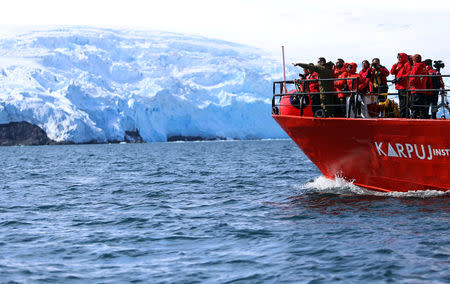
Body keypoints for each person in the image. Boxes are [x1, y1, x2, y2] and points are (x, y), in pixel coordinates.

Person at [391, 53, 412, 118]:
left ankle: (404, 115)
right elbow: (392, 72)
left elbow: (409, 73)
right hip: (399, 86)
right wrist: (395, 64)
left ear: (403, 57)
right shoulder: (398, 65)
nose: (398, 58)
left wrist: (401, 77)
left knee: (404, 102)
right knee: (402, 101)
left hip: (404, 86)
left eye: (400, 57)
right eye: (398, 57)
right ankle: (404, 115)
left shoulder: (407, 64)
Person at [408, 54, 428, 119]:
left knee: (414, 105)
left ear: (414, 60)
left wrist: (410, 85)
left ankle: (414, 118)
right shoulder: (423, 66)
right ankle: (423, 117)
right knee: (422, 105)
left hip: (416, 89)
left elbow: (413, 77)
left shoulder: (416, 66)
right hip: (422, 88)